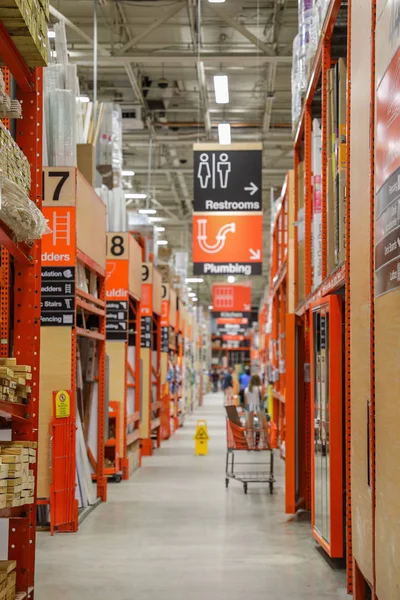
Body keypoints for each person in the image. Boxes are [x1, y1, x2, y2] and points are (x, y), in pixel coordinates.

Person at [244, 374, 268, 448]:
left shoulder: (247, 389)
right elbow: (262, 399)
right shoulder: (260, 388)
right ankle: (262, 443)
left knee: (250, 427)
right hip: (259, 406)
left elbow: (246, 401)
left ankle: (250, 444)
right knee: (263, 426)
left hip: (249, 407)